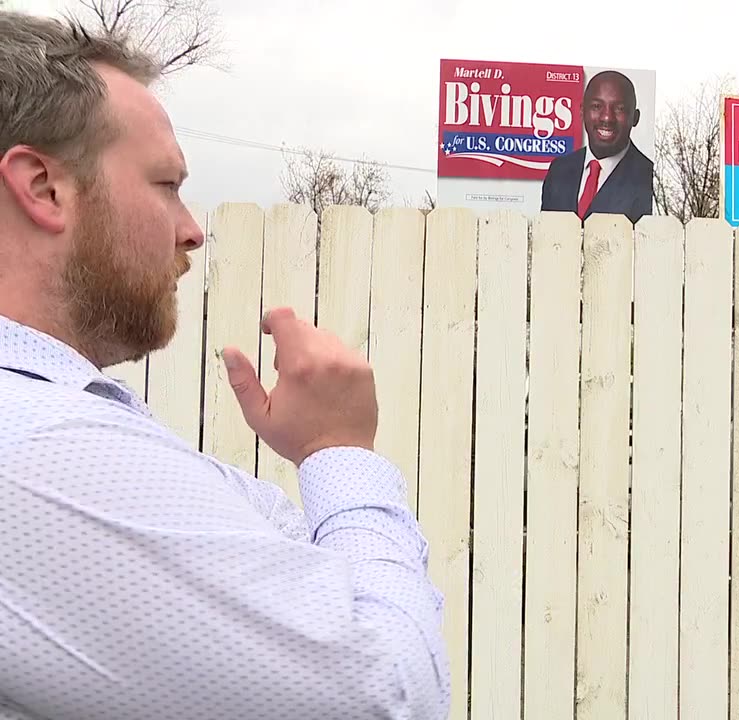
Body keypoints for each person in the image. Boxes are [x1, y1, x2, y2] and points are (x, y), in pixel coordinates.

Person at [0, 12, 448, 720]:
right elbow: (383, 695)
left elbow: (280, 551)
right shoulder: (38, 450)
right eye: (166, 183)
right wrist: (338, 453)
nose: (191, 229)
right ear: (43, 187)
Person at [540, 69, 654, 224]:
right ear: (582, 111)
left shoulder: (649, 178)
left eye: (619, 108)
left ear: (635, 117)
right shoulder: (559, 170)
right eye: (596, 106)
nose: (607, 117)